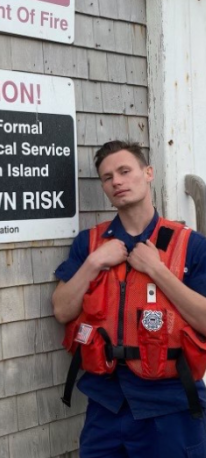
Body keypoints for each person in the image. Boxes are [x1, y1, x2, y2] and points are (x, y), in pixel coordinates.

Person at [53, 140, 206, 457]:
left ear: (148, 173)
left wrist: (158, 271)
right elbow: (62, 310)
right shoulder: (90, 243)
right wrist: (94, 262)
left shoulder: (191, 245)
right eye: (108, 177)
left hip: (170, 404)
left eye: (125, 171)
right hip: (106, 404)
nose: (117, 182)